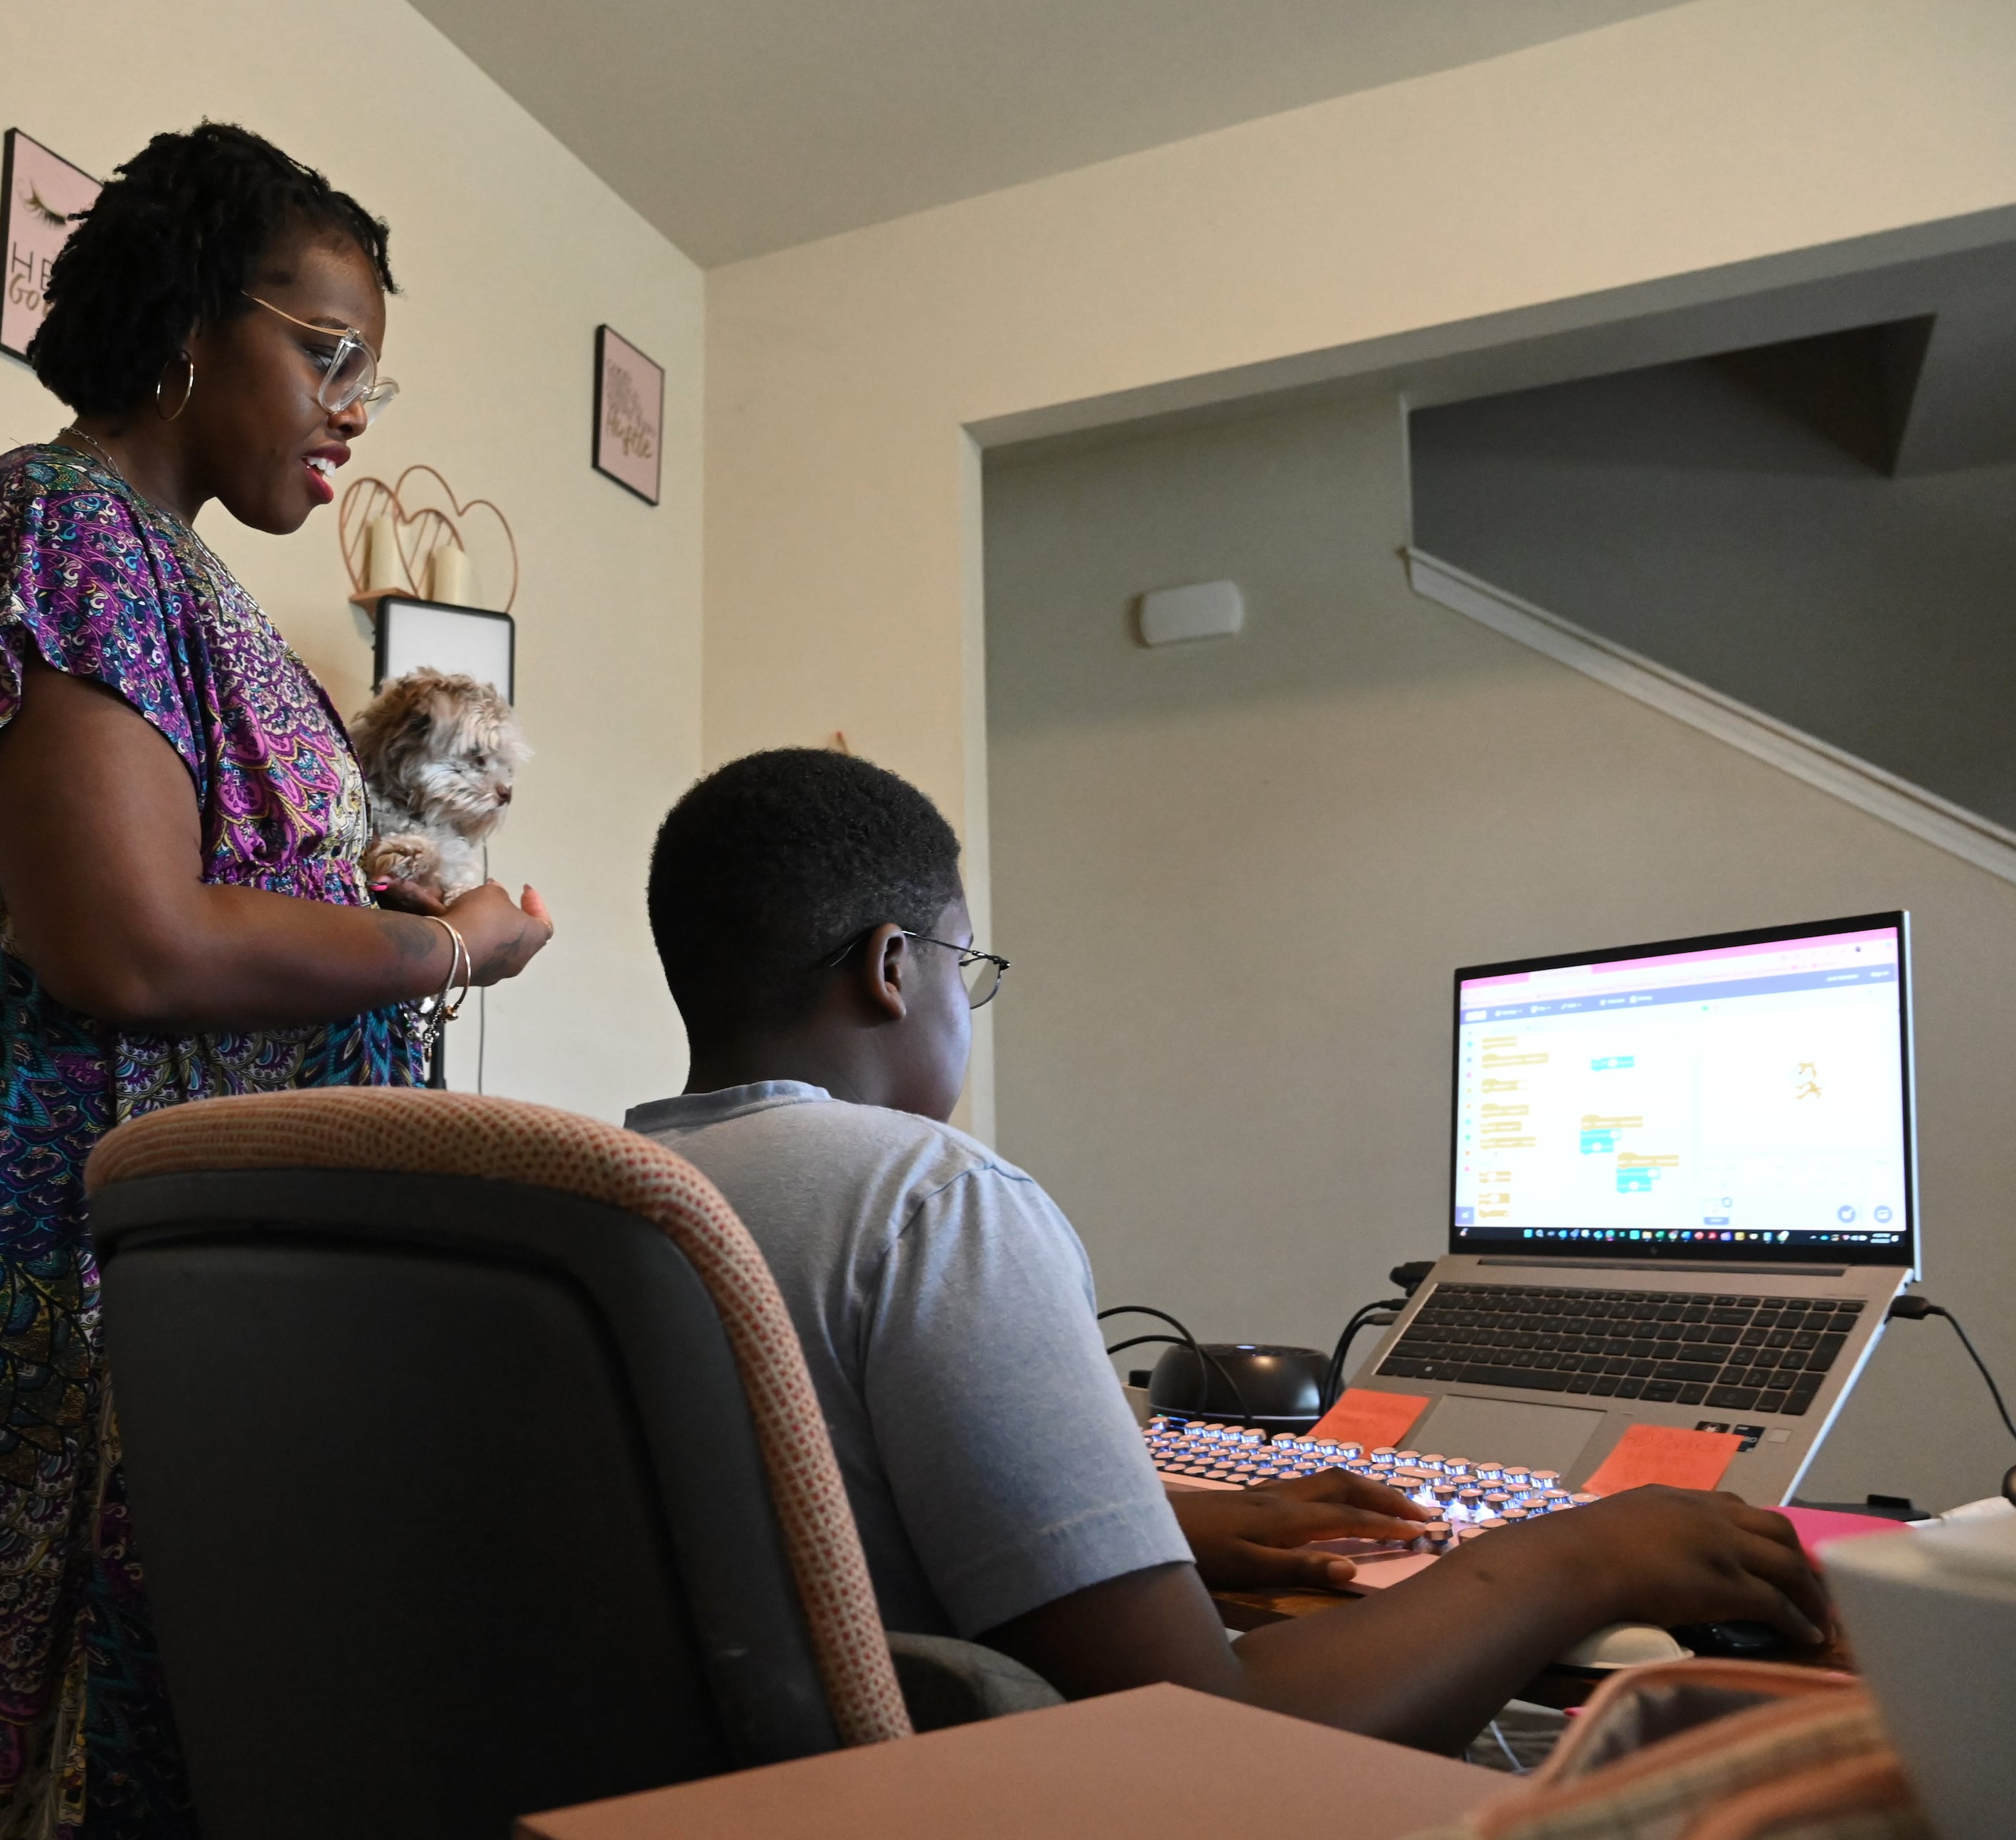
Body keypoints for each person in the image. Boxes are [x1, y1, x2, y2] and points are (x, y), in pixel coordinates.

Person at [0, 123, 553, 1840]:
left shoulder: (195, 582)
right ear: (189, 321)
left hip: (159, 1219)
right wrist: (450, 944)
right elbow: (125, 938)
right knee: (23, 1732)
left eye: (375, 370)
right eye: (326, 349)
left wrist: (343, 886)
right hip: (29, 1215)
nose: (356, 404)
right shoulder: (55, 523)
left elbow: (216, 881)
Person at [625, 749, 1827, 1752]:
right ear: (894, 968)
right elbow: (1204, 1736)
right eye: (968, 968)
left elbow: (805, 1535)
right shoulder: (931, 1199)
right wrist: (1580, 1556)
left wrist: (1141, 1532)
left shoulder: (611, 1202)